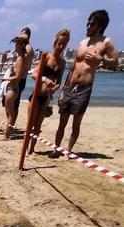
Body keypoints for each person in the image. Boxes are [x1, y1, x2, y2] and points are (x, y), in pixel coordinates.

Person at [50, 10, 118, 158]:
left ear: (100, 25)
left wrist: (100, 59)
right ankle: (56, 149)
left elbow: (116, 62)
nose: (87, 26)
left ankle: (68, 151)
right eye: (87, 23)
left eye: (91, 24)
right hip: (70, 87)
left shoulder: (105, 42)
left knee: (76, 123)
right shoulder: (82, 43)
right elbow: (73, 67)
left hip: (84, 88)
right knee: (62, 121)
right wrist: (64, 89)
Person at [27, 30, 70, 155]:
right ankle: (26, 149)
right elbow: (34, 74)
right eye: (60, 43)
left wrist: (55, 87)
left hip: (46, 98)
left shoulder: (62, 63)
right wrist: (45, 80)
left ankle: (32, 149)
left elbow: (59, 81)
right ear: (55, 42)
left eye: (64, 44)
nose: (61, 47)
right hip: (36, 96)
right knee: (30, 124)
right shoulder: (46, 57)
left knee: (38, 126)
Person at [0, 35, 27, 140]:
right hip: (12, 88)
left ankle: (6, 135)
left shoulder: (20, 58)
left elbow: (17, 77)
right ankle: (7, 132)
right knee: (8, 113)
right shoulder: (21, 58)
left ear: (21, 46)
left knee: (10, 114)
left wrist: (5, 79)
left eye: (17, 45)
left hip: (13, 88)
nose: (15, 47)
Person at [12, 28, 34, 125]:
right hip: (20, 78)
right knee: (12, 103)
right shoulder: (25, 47)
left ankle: (11, 125)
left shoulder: (27, 48)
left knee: (15, 104)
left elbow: (24, 64)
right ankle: (10, 124)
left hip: (20, 79)